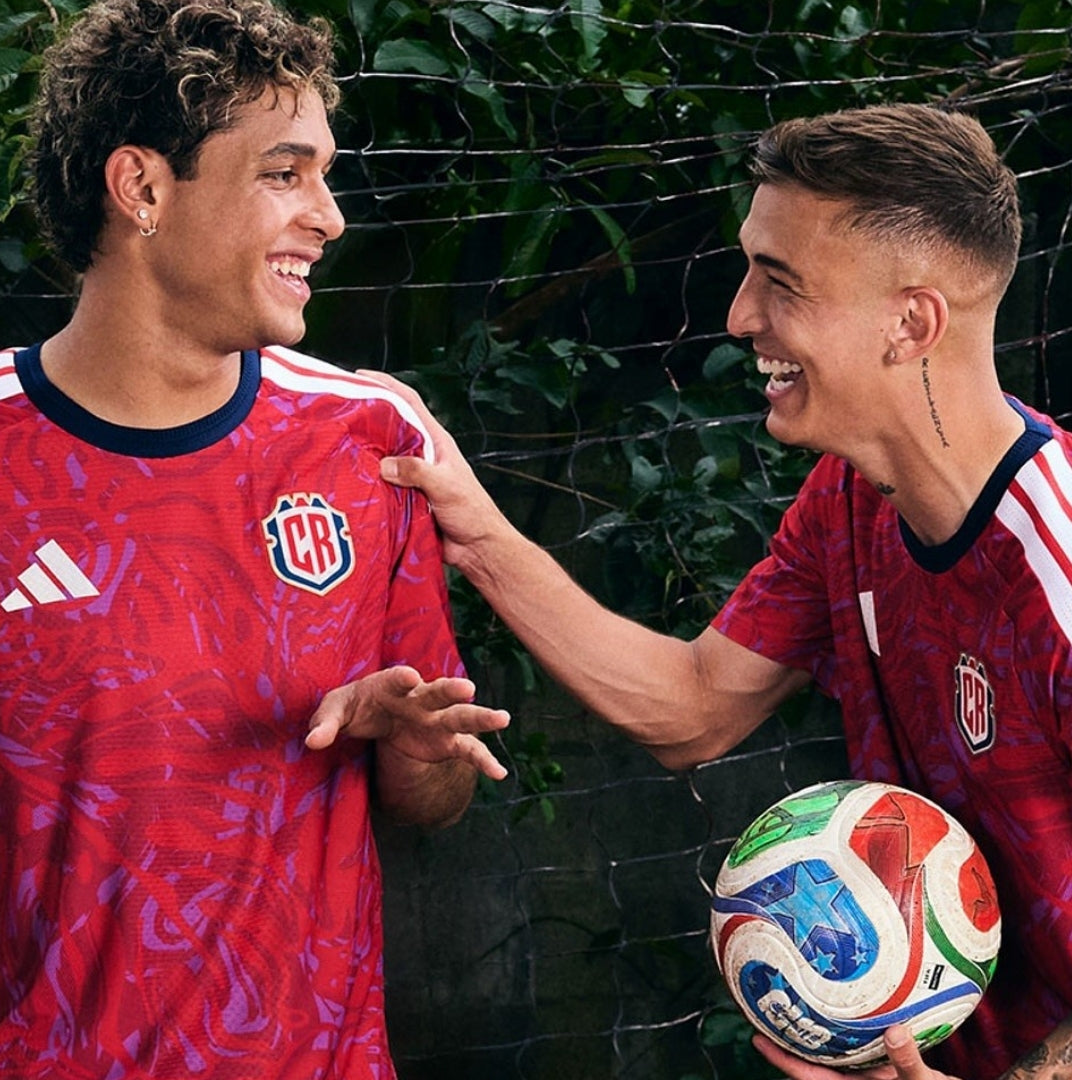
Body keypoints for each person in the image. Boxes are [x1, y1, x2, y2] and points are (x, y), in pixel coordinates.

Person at [368, 102, 1072, 1080]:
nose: (740, 315)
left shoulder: (1060, 571)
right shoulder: (846, 505)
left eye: (779, 282)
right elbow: (690, 705)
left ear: (911, 323)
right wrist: (477, 531)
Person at [0, 1, 510, 1077]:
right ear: (142, 188)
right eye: (285, 173)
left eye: (324, 175)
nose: (329, 217)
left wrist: (413, 745)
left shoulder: (369, 441)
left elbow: (437, 795)